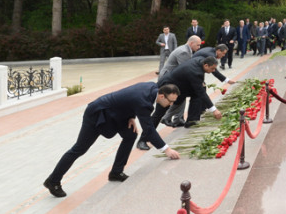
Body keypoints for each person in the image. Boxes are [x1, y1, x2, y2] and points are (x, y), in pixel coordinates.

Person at [43, 83, 182, 197]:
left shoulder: (152, 88)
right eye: (170, 101)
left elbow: (129, 98)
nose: (170, 105)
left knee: (130, 135)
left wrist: (131, 117)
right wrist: (166, 149)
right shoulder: (143, 100)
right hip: (97, 113)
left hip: (116, 114)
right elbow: (149, 130)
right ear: (162, 95)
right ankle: (53, 180)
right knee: (79, 149)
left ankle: (116, 172)